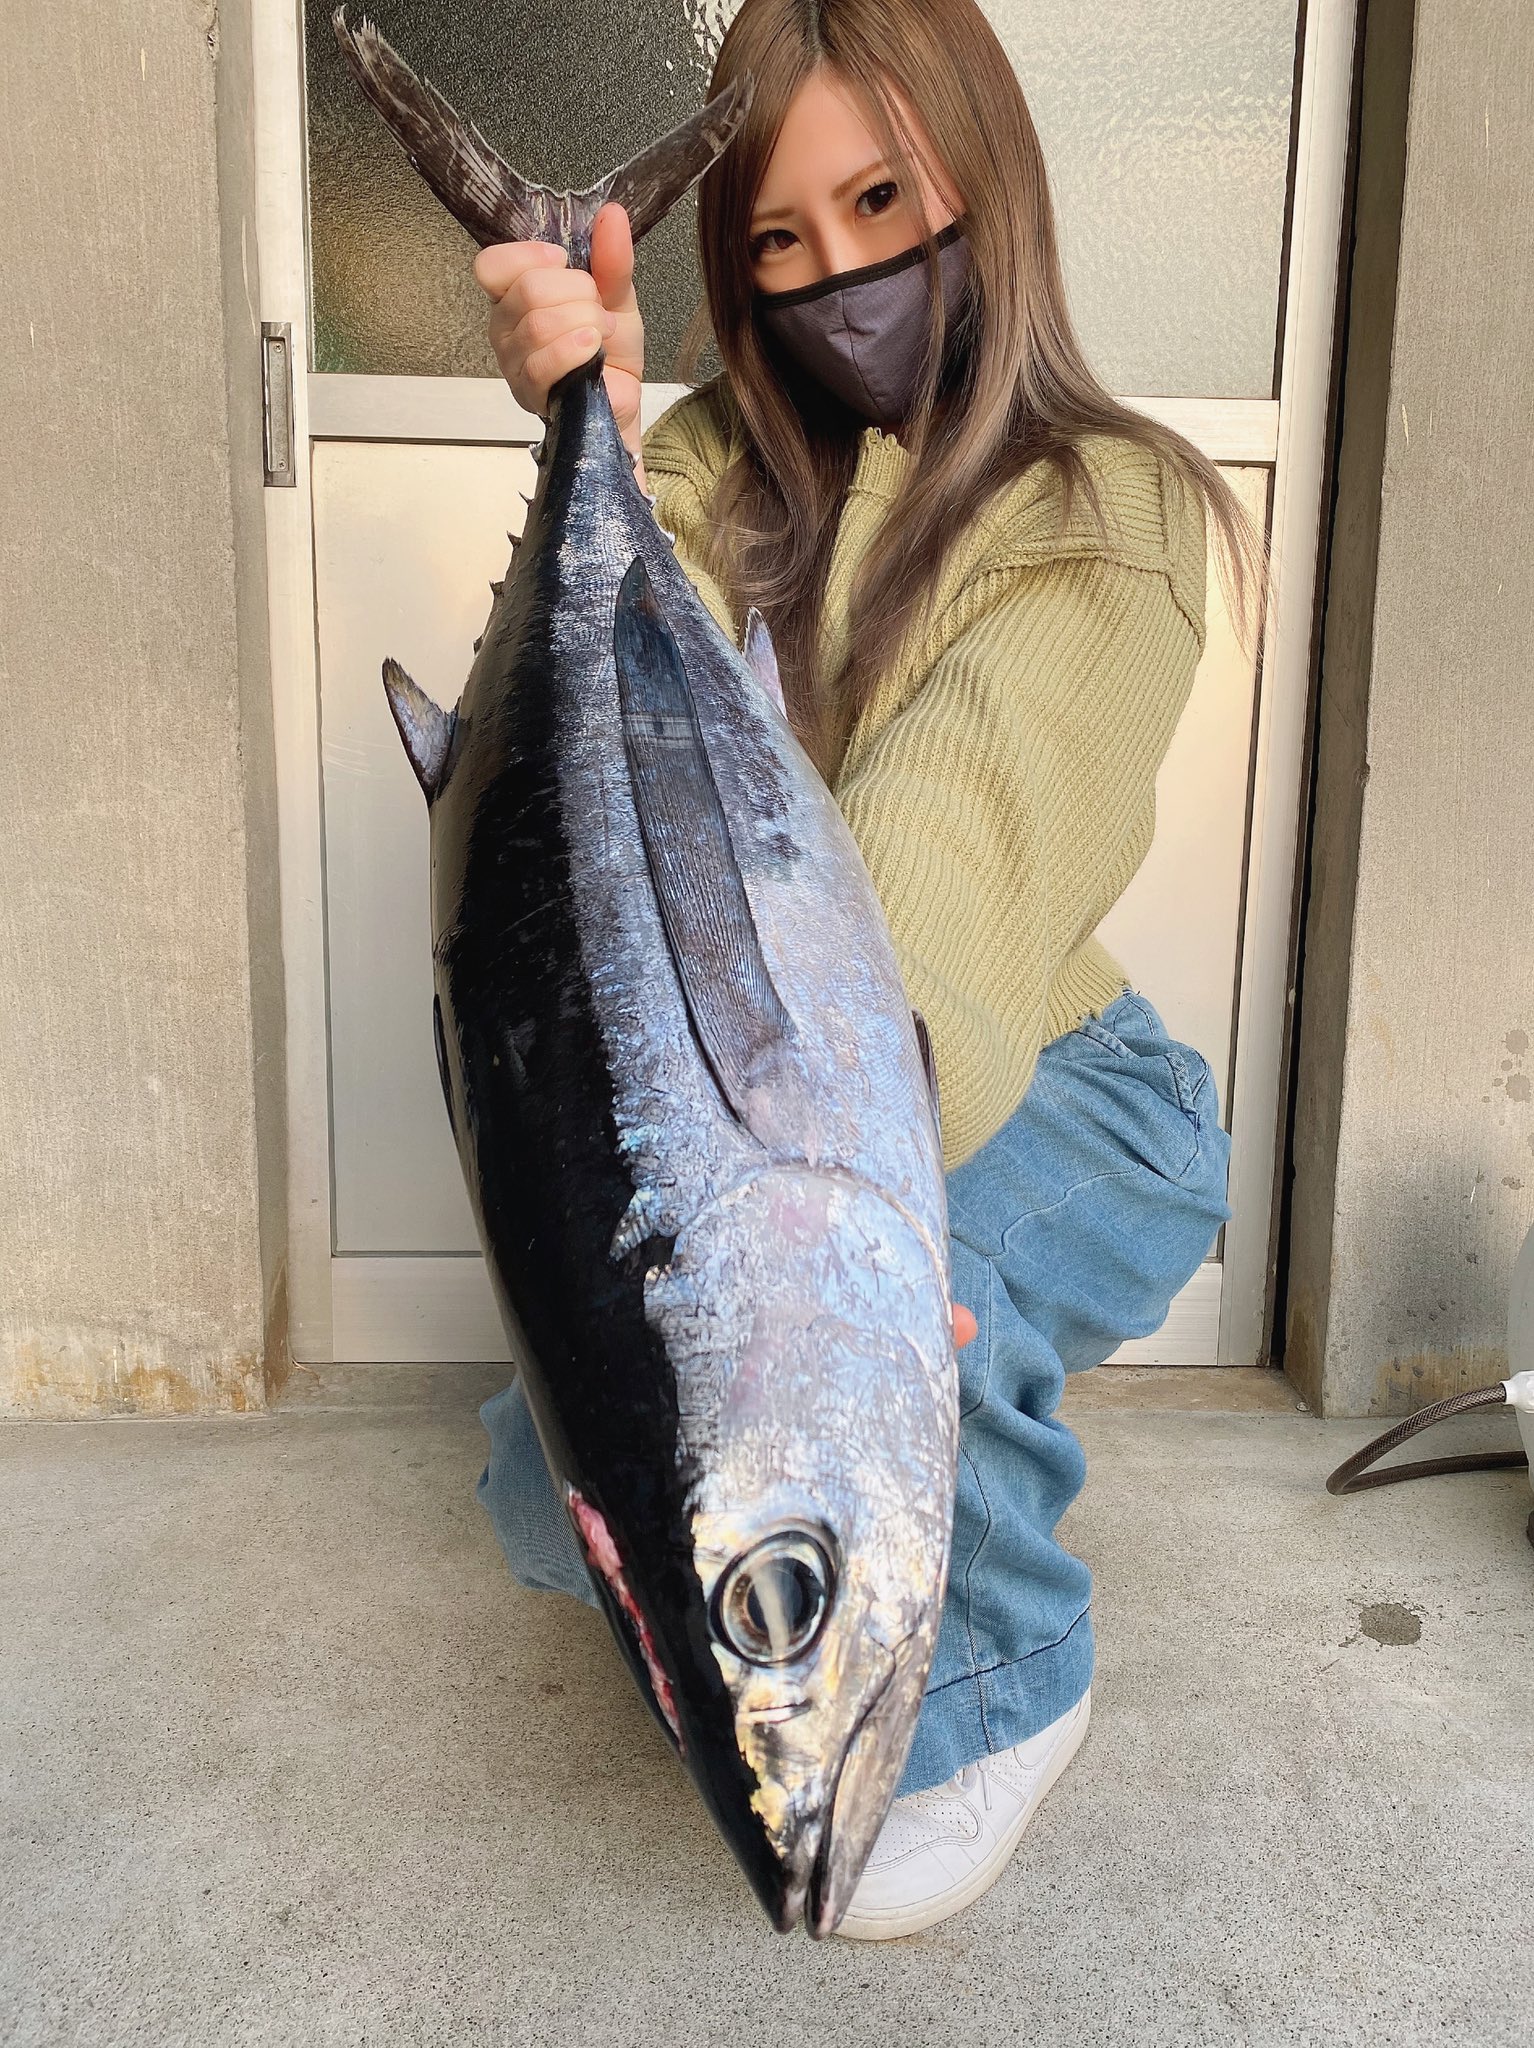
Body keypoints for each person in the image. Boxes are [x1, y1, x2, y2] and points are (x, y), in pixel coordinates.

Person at [472, 0, 1254, 1941]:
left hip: (1048, 1071)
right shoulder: (715, 472)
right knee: (536, 1466)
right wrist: (594, 398)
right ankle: (825, 1564)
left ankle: (1002, 1689)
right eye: (776, 237)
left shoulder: (1111, 505)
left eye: (883, 200)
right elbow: (595, 756)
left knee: (897, 1321)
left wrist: (829, 1288)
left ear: (982, 178)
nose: (839, 271)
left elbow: (939, 862)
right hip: (793, 1096)